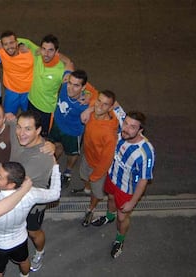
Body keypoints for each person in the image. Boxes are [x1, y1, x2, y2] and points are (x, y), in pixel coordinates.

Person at [0, 110, 55, 272]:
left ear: (38, 131)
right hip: (15, 195)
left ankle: (40, 251)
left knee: (33, 232)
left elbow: (8, 180)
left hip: (32, 204)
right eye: (19, 127)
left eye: (28, 129)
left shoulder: (42, 158)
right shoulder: (15, 126)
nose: (21, 133)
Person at [91, 109, 155, 258]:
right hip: (112, 178)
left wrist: (133, 202)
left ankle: (120, 240)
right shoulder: (122, 130)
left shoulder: (145, 152)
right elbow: (111, 103)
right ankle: (109, 216)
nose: (126, 128)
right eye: (125, 123)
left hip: (127, 189)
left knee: (122, 218)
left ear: (140, 130)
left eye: (132, 127)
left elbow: (143, 180)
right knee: (111, 199)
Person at [48, 70, 98, 187]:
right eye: (70, 83)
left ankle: (68, 171)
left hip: (73, 133)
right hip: (57, 124)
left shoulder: (85, 104)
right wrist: (66, 75)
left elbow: (104, 103)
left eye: (76, 85)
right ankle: (52, 166)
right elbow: (68, 66)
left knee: (72, 154)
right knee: (57, 146)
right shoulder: (65, 85)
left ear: (84, 87)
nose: (70, 88)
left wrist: (90, 108)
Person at [18, 35, 73, 137]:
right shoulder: (37, 54)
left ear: (57, 52)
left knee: (43, 138)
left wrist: (87, 96)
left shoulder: (62, 70)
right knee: (30, 131)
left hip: (47, 111)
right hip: (31, 102)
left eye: (50, 50)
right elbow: (17, 40)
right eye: (44, 49)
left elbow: (79, 86)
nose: (46, 54)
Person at [80, 90, 118, 227]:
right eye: (99, 101)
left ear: (110, 108)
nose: (99, 106)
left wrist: (95, 176)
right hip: (87, 156)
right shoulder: (93, 111)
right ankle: (87, 188)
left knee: (96, 192)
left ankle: (91, 208)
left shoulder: (109, 134)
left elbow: (107, 160)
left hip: (97, 167)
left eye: (105, 104)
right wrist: (89, 108)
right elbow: (89, 92)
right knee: (85, 177)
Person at [0, 30, 34, 115]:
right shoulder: (1, 52)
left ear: (17, 42)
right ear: (2, 45)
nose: (9, 47)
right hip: (11, 92)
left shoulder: (29, 54)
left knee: (30, 118)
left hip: (29, 93)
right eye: (5, 44)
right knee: (8, 120)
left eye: (11, 43)